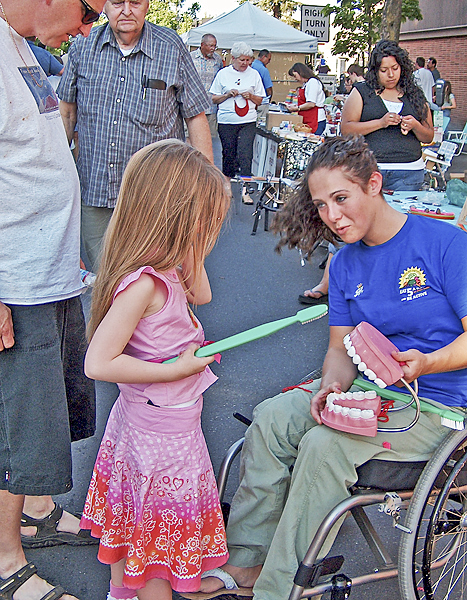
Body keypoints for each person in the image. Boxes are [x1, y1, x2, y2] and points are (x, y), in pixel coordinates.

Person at [190, 135, 467, 600]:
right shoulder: (342, 266)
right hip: (372, 390)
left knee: (323, 446)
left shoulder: (444, 243)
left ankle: (277, 591)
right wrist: (331, 387)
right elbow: (340, 349)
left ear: (374, 185)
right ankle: (247, 563)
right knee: (273, 418)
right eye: (321, 205)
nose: (332, 216)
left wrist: (427, 363)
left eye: (341, 198)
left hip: (438, 406)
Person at [80, 140, 230, 600]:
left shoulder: (168, 270)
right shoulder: (144, 285)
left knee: (131, 528)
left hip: (155, 428)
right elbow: (98, 362)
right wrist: (175, 368)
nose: (210, 230)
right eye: (204, 219)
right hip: (160, 437)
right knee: (154, 558)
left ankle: (119, 594)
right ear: (176, 215)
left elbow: (202, 295)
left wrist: (192, 247)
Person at [0, 0, 107, 598]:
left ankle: (37, 509)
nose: (88, 23)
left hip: (52, 270)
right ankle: (5, 559)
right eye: (86, 8)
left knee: (51, 413)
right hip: (16, 279)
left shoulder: (22, 48)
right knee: (19, 423)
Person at [57, 0, 212, 271]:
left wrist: (205, 188)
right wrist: (56, 180)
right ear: (104, 6)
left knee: (154, 282)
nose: (126, 10)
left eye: (135, 2)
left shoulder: (170, 46)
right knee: (105, 281)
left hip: (155, 197)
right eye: (117, 2)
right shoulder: (83, 45)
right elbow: (67, 113)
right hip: (97, 193)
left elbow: (195, 117)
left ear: (147, 5)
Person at [341, 39, 433, 191]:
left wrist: (415, 126)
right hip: (370, 170)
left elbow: (429, 136)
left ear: (402, 68)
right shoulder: (362, 92)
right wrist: (380, 123)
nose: (390, 75)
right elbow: (346, 129)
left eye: (395, 68)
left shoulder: (414, 93)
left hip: (409, 172)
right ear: (375, 71)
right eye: (383, 71)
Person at [209, 42, 265, 197]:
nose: (245, 63)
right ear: (233, 58)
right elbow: (214, 99)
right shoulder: (223, 74)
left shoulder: (254, 74)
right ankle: (227, 183)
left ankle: (246, 188)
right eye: (242, 60)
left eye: (248, 60)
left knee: (246, 153)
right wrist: (227, 94)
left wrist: (251, 96)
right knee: (229, 152)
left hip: (248, 120)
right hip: (227, 121)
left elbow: (260, 100)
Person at [190, 34, 223, 138]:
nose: (213, 49)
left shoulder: (218, 60)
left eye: (214, 46)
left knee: (210, 139)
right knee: (192, 138)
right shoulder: (190, 57)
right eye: (210, 46)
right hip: (193, 107)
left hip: (211, 108)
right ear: (202, 45)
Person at [287, 62, 326, 135]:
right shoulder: (306, 84)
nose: (295, 79)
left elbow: (311, 104)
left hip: (315, 120)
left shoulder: (312, 82)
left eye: (295, 76)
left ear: (300, 73)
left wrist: (297, 108)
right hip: (308, 119)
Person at [251, 49, 273, 125]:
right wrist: (268, 101)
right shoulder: (263, 70)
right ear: (264, 57)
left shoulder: (250, 65)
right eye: (269, 59)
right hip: (261, 102)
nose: (269, 62)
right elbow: (268, 89)